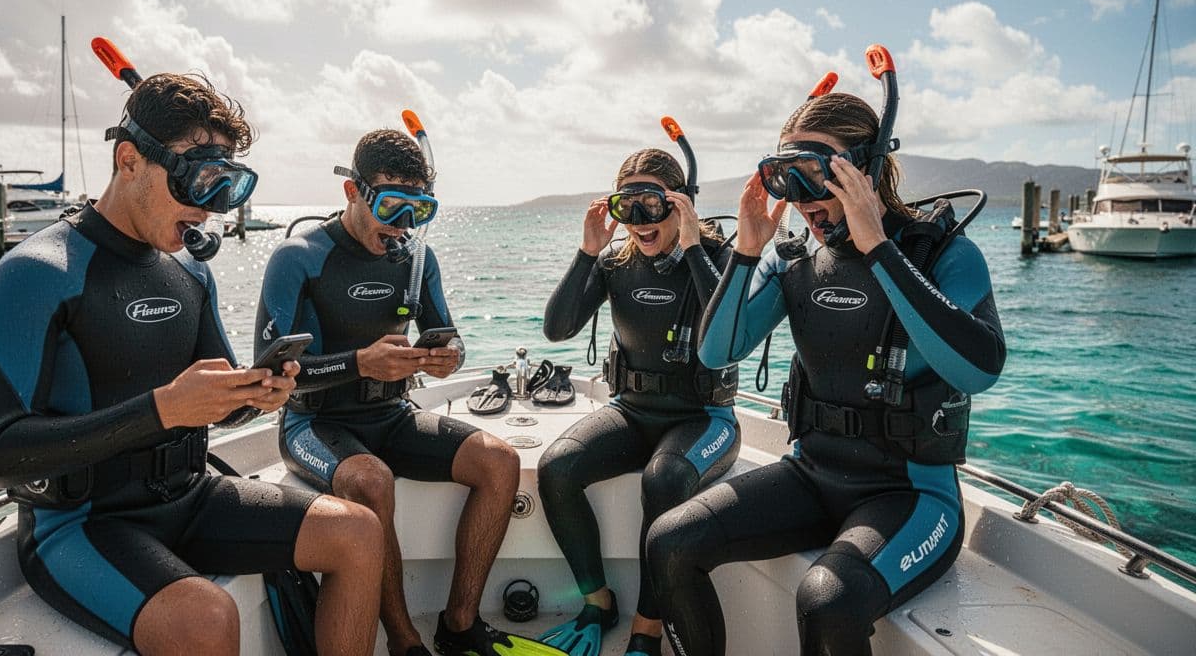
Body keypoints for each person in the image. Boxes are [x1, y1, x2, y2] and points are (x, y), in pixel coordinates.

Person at [0, 73, 384, 656]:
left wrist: (255, 394)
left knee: (358, 533)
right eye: (195, 181)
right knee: (205, 617)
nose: (207, 210)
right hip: (81, 526)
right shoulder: (37, 273)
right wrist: (163, 409)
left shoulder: (190, 272)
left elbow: (220, 403)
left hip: (189, 495)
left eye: (225, 188)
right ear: (129, 160)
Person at [645, 92, 1006, 656]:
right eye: (787, 178)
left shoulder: (944, 257)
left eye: (817, 174)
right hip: (811, 476)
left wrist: (880, 249)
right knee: (670, 540)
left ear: (866, 168)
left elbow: (979, 369)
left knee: (826, 598)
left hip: (911, 497)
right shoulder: (792, 261)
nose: (803, 199)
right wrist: (746, 251)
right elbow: (718, 352)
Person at [256, 129, 553, 656]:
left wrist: (447, 358)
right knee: (372, 481)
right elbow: (275, 374)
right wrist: (360, 362)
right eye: (394, 204)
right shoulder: (298, 257)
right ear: (354, 192)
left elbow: (449, 335)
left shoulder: (416, 259)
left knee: (499, 461)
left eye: (421, 209)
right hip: (316, 424)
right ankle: (404, 641)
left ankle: (459, 625)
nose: (404, 224)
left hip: (392, 414)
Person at [538, 149, 742, 656]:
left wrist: (694, 249)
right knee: (557, 467)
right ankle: (598, 602)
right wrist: (587, 252)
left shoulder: (717, 258)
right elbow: (557, 328)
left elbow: (732, 334)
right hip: (632, 411)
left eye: (652, 204)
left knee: (665, 479)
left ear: (680, 204)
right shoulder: (615, 262)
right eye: (626, 206)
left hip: (703, 418)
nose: (640, 221)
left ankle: (646, 630)